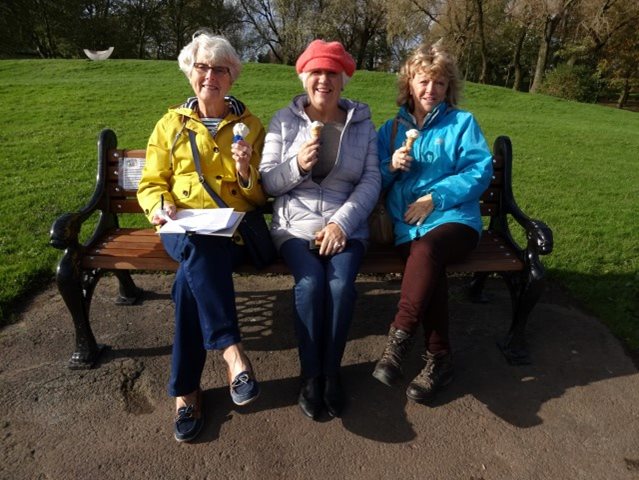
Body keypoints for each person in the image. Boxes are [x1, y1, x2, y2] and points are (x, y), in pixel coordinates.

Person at [137, 31, 264, 442]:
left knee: (185, 285)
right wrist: (159, 205)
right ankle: (232, 353)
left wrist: (245, 173)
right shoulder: (170, 124)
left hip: (231, 233)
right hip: (180, 228)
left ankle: (185, 393)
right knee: (196, 246)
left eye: (220, 69)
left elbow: (258, 196)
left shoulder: (249, 125)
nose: (210, 75)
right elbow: (151, 182)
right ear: (190, 72)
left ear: (233, 77)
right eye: (203, 67)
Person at [260, 40, 381, 420]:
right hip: (294, 227)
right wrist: (296, 164)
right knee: (310, 284)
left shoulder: (362, 123)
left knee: (341, 285)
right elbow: (267, 183)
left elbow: (371, 180)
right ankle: (310, 374)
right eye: (316, 72)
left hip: (346, 227)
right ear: (303, 77)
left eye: (332, 73)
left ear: (343, 80)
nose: (324, 80)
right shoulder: (284, 119)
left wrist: (340, 223)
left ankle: (332, 372)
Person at [372, 41, 493, 404]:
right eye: (424, 81)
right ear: (409, 83)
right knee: (428, 265)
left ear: (448, 88)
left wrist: (434, 197)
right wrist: (391, 167)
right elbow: (373, 183)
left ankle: (399, 340)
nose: (431, 90)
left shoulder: (462, 123)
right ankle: (440, 359)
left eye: (439, 83)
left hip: (455, 220)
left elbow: (479, 170)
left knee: (428, 252)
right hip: (408, 225)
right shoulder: (390, 131)